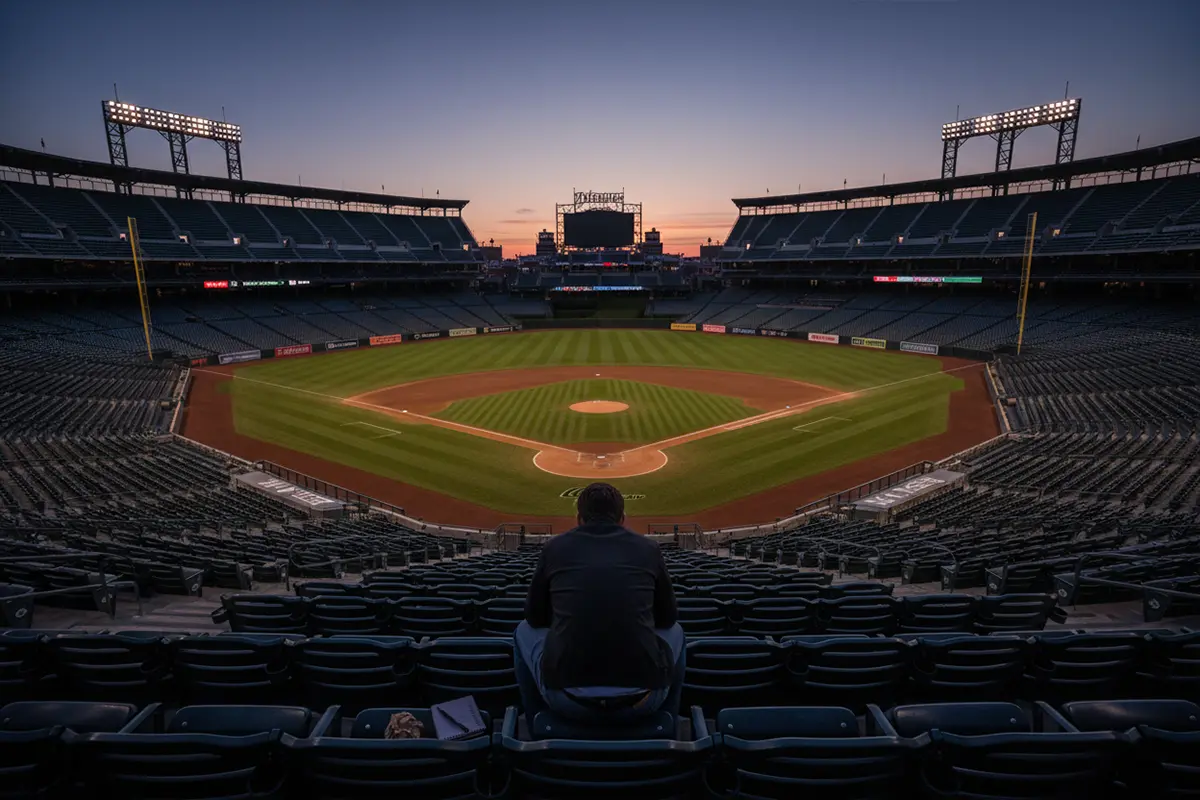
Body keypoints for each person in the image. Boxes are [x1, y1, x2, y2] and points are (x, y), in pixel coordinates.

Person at [514, 482, 685, 724]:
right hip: (644, 699)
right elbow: (668, 618)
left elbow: (534, 618)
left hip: (564, 697)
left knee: (522, 630)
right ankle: (669, 724)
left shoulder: (554, 547)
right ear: (623, 518)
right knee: (677, 631)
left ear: (578, 518)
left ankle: (535, 725)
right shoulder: (649, 548)